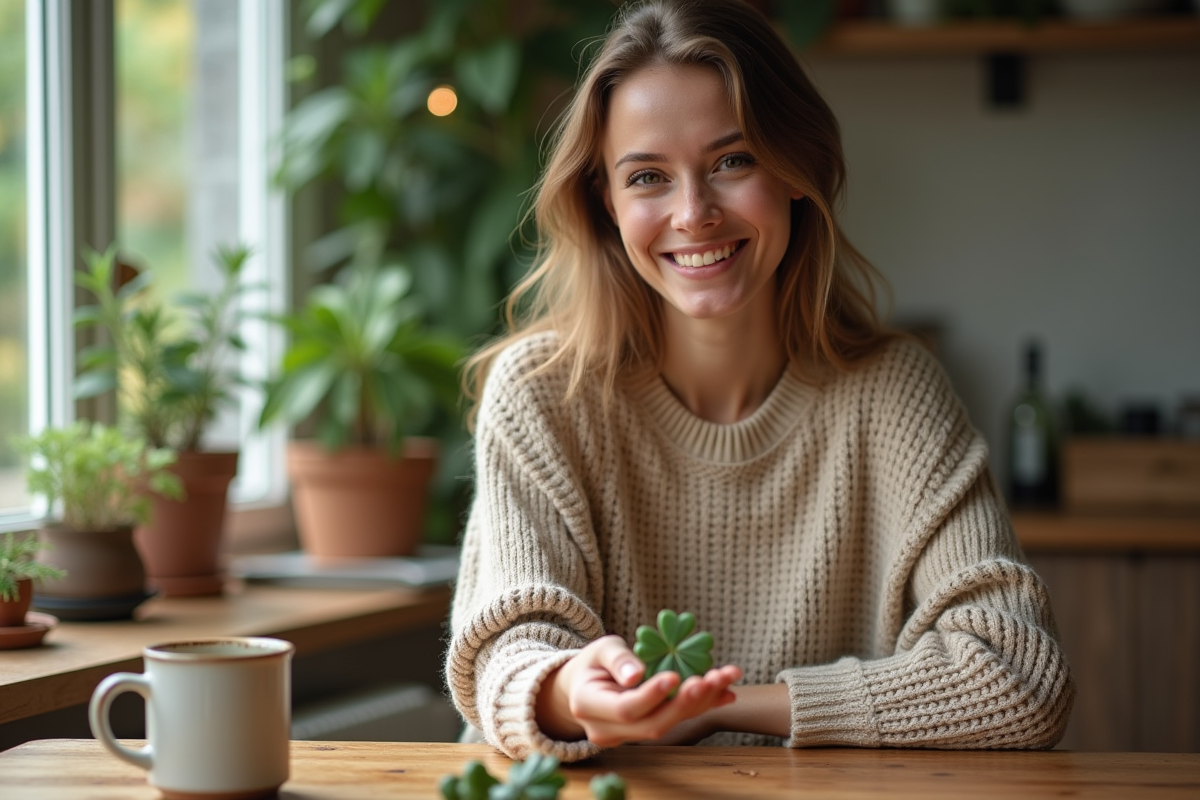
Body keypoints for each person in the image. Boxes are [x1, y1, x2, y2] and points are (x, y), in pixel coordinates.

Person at [445, 0, 1074, 762]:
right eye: (647, 177)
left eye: (732, 162)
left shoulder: (895, 394)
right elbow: (509, 655)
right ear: (606, 204)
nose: (693, 213)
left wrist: (717, 709)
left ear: (796, 170)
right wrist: (572, 690)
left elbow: (1016, 675)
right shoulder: (544, 394)